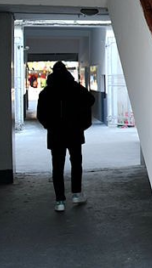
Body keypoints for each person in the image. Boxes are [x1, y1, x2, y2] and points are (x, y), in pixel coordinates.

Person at [37, 61, 95, 212]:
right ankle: (76, 194)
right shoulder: (75, 88)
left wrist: (49, 125)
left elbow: (41, 114)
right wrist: (81, 120)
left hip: (55, 134)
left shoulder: (46, 92)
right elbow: (91, 100)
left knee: (57, 167)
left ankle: (60, 201)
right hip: (74, 132)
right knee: (76, 163)